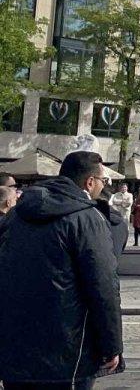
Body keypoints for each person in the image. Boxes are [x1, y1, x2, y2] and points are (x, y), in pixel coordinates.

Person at [0, 151, 124, 388]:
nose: (104, 186)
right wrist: (111, 346)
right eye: (104, 181)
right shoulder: (87, 218)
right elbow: (103, 286)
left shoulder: (16, 213)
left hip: (14, 352)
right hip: (67, 355)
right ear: (90, 182)